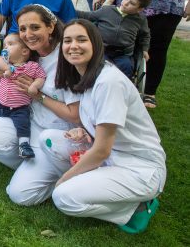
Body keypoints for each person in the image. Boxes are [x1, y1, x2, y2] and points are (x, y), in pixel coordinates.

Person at [41, 19, 165, 234]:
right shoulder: (86, 76)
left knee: (63, 197)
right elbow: (100, 128)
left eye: (82, 40)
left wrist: (63, 180)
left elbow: (101, 150)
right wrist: (83, 130)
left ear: (96, 45)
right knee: (48, 138)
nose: (73, 46)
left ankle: (135, 207)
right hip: (111, 158)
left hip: (139, 169)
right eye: (68, 41)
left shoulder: (109, 82)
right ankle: (95, 187)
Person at [0, 4, 80, 206]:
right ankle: (31, 168)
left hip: (58, 134)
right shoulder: (30, 54)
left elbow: (74, 115)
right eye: (23, 29)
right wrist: (2, 73)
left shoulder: (66, 58)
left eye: (34, 27)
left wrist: (39, 95)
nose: (28, 34)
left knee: (20, 195)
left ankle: (58, 173)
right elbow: (6, 65)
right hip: (30, 122)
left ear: (50, 26)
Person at [0, 33, 46, 159]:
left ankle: (24, 145)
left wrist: (34, 86)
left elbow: (41, 76)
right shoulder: (5, 62)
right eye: (4, 45)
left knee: (23, 125)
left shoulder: (32, 66)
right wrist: (7, 68)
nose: (5, 47)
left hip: (19, 108)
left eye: (10, 44)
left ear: (24, 51)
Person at [76, 0, 151, 77]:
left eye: (132, 3)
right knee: (100, 68)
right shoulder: (107, 10)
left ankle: (120, 88)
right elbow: (87, 16)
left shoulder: (140, 20)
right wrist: (68, 8)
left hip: (123, 54)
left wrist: (145, 50)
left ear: (139, 9)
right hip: (102, 50)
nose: (126, 3)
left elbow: (145, 35)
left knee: (126, 68)